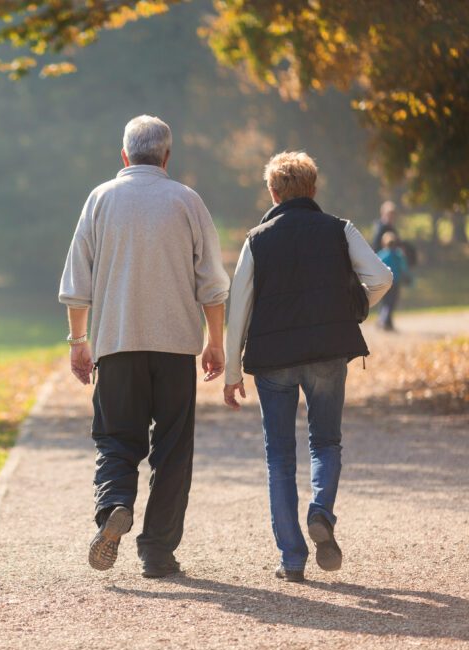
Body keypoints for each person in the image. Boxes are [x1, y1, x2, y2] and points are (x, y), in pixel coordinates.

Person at [59, 115, 230, 578]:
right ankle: (157, 552)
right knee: (173, 450)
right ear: (166, 156)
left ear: (124, 155)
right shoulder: (187, 201)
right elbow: (212, 284)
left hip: (117, 345)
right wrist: (216, 343)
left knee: (116, 438)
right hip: (175, 348)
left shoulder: (100, 199)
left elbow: (78, 282)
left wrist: (79, 341)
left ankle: (115, 505)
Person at [223, 151, 393, 583]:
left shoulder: (256, 239)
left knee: (279, 458)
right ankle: (321, 513)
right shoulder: (340, 229)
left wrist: (231, 371)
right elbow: (382, 277)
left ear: (273, 192)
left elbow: (238, 305)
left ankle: (292, 559)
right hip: (328, 352)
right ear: (313, 189)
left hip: (273, 360)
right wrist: (354, 306)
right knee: (326, 443)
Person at [377, 231, 411, 331]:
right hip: (395, 282)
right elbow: (404, 267)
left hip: (384, 282)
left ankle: (386, 322)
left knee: (385, 302)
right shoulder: (398, 255)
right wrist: (407, 277)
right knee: (391, 303)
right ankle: (384, 321)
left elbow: (377, 268)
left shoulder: (381, 255)